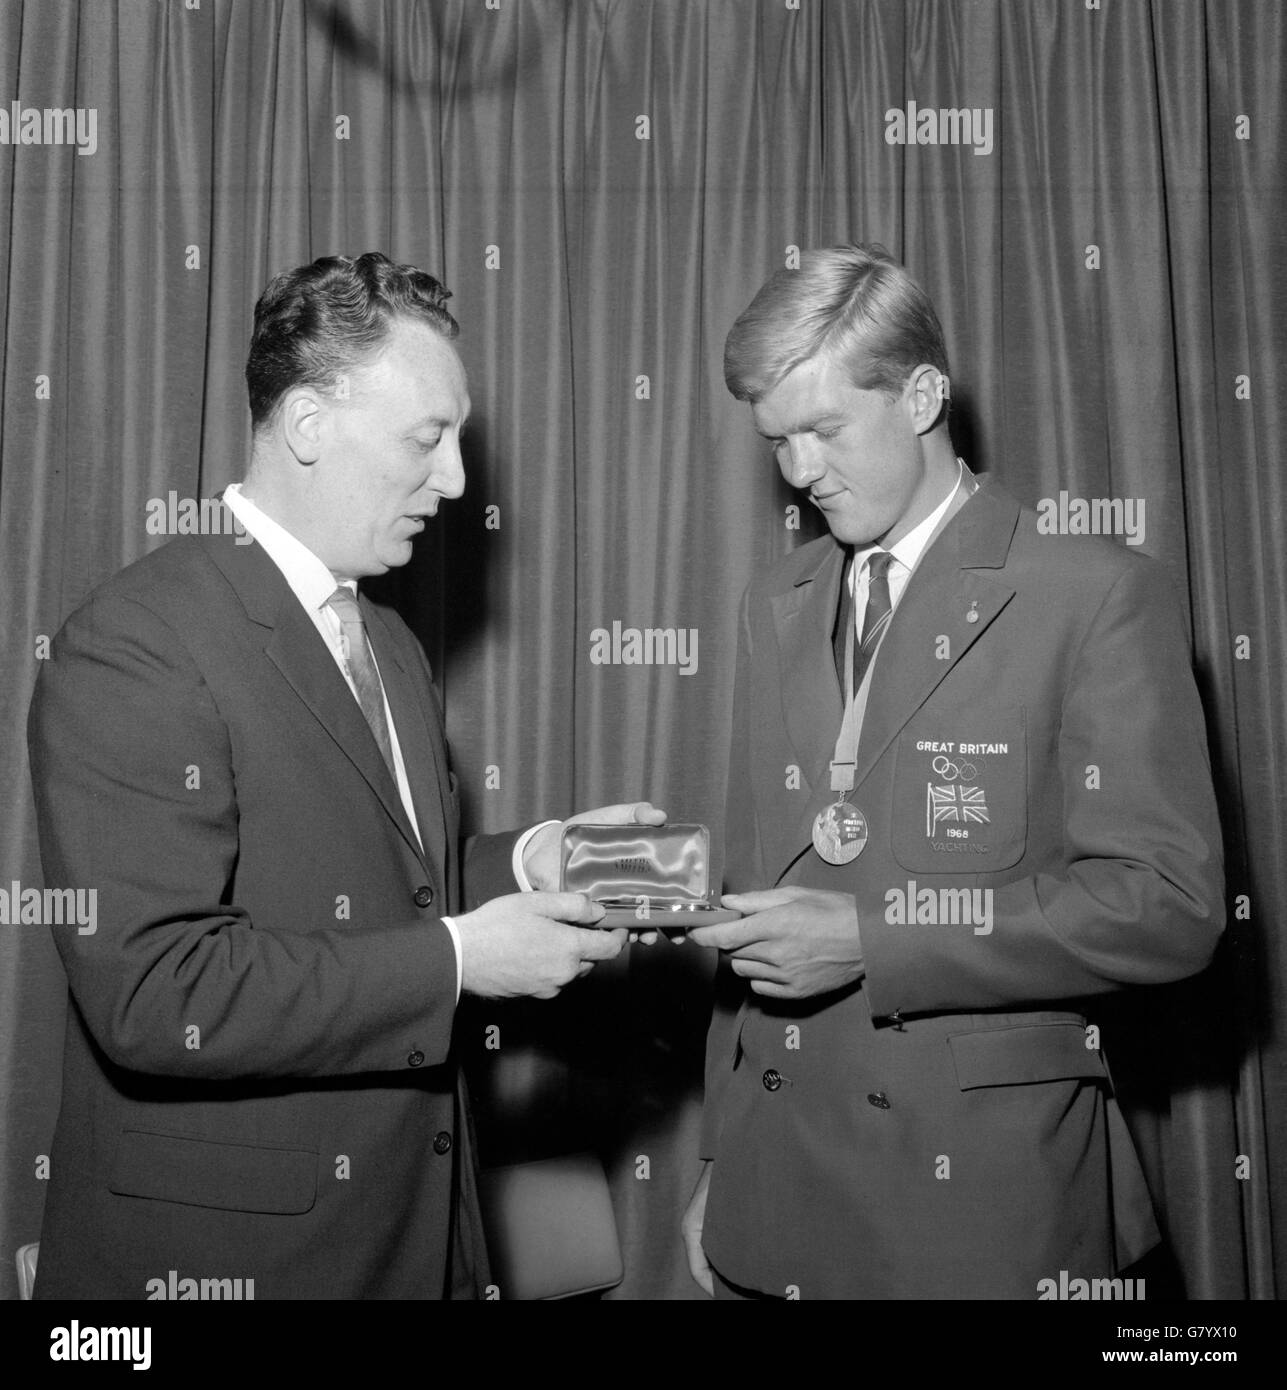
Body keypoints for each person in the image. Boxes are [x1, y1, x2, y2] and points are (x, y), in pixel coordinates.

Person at [27, 251, 660, 1299]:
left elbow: (389, 889)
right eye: (428, 439)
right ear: (310, 427)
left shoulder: (388, 642)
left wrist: (529, 859)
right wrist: (461, 959)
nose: (457, 479)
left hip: (410, 1241)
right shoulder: (137, 640)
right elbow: (154, 992)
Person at [682, 243, 1224, 1299]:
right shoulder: (777, 602)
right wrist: (720, 1156)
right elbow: (751, 915)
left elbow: (1168, 906)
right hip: (780, 1184)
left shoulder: (1094, 594)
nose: (799, 471)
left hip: (983, 1212)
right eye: (777, 439)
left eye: (826, 428)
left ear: (924, 394)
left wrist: (873, 940)